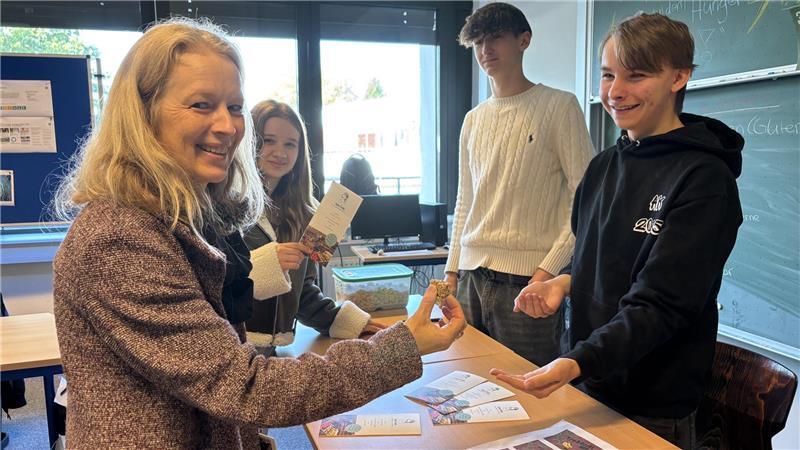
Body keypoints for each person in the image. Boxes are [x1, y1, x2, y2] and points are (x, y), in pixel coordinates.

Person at [51, 18, 465, 448]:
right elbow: (244, 386)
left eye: (233, 107)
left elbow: (213, 382)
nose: (228, 127)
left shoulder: (193, 216)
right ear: (143, 115)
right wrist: (400, 348)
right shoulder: (120, 238)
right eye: (200, 105)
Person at [491, 13, 743, 449]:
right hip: (592, 384)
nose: (615, 92)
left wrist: (573, 363)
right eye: (608, 75)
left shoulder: (703, 179)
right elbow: (599, 258)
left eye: (637, 75)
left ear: (679, 77)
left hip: (654, 404)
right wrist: (566, 283)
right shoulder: (604, 165)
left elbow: (661, 304)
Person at [444, 2, 594, 366]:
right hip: (470, 280)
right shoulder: (473, 120)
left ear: (524, 40)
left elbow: (587, 199)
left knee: (530, 395)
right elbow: (466, 199)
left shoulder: (560, 106)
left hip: (528, 281)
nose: (486, 50)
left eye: (495, 38)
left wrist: (547, 272)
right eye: (478, 41)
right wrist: (451, 272)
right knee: (467, 382)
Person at [244, 100, 383, 351]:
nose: (280, 152)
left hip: (272, 353)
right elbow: (212, 285)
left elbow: (303, 292)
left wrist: (341, 322)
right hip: (230, 348)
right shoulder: (225, 206)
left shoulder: (301, 213)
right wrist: (261, 267)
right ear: (249, 142)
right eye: (268, 140)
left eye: (290, 144)